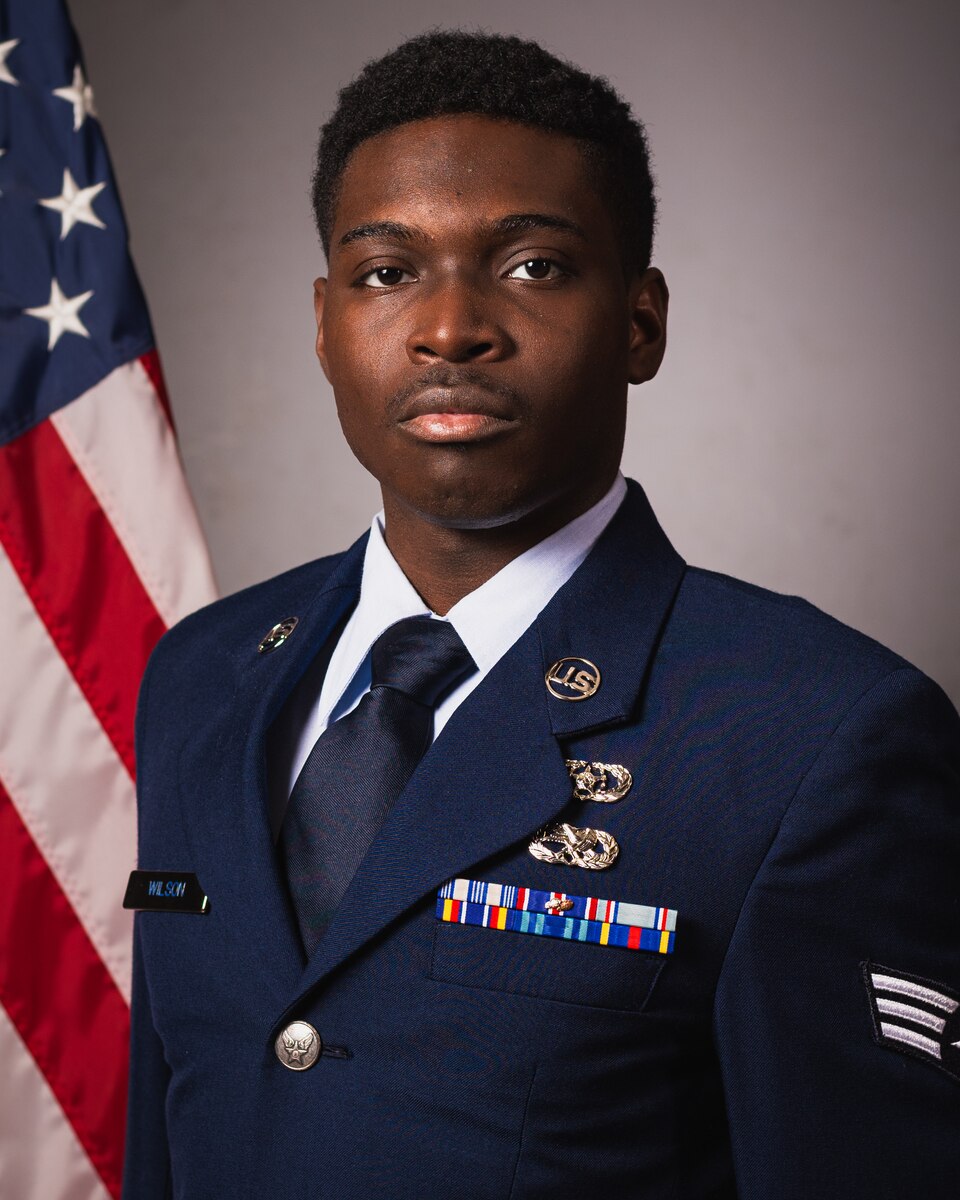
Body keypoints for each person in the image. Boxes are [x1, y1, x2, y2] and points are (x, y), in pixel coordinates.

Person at [122, 30, 960, 1199]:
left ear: (640, 322)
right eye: (385, 272)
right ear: (323, 324)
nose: (451, 329)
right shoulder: (204, 676)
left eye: (532, 267)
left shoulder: (816, 736)